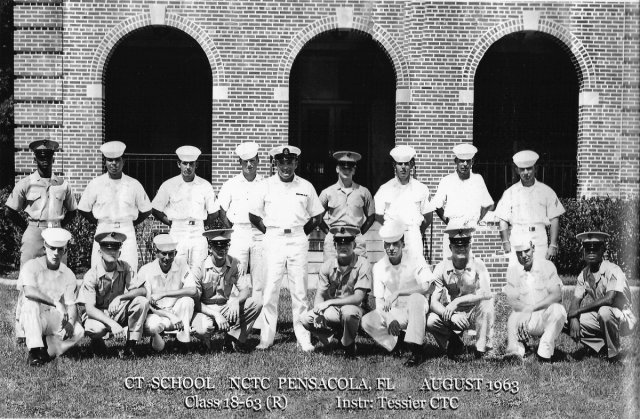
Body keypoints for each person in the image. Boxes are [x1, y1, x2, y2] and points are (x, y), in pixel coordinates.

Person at [249, 145, 324, 351]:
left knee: (299, 292)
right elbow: (253, 215)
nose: (285, 167)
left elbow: (317, 215)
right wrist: (270, 232)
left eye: (289, 162)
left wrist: (302, 233)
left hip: (298, 237)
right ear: (275, 164)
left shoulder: (306, 186)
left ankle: (303, 338)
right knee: (270, 290)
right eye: (281, 162)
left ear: (295, 163)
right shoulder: (265, 185)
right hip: (273, 237)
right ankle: (266, 338)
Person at [6, 139, 77, 344]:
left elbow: (72, 210)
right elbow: (10, 209)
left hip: (55, 230)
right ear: (35, 158)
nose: (44, 160)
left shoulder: (62, 184)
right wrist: (28, 228)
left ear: (53, 158)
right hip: (34, 230)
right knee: (26, 278)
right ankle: (22, 329)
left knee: (58, 277)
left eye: (48, 157)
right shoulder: (26, 183)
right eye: (40, 157)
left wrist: (61, 228)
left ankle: (58, 323)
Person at [361, 220, 435, 367]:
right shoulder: (379, 267)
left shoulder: (415, 258)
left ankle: (417, 350)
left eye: (395, 244)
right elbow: (379, 301)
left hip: (417, 309)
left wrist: (399, 292)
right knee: (367, 321)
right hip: (396, 312)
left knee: (415, 299)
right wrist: (388, 318)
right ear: (384, 246)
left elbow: (428, 286)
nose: (392, 248)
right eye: (387, 245)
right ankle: (396, 345)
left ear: (403, 244)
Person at [78, 141, 152, 272]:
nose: (114, 164)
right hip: (103, 228)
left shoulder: (133, 184)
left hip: (126, 229)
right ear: (105, 162)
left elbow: (146, 210)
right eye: (110, 160)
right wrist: (99, 222)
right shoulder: (96, 183)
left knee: (129, 269)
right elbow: (84, 208)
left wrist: (131, 223)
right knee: (99, 269)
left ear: (123, 161)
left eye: (117, 160)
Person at [301, 225, 372, 357]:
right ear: (334, 246)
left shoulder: (363, 264)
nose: (343, 247)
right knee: (306, 319)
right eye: (339, 243)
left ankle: (349, 346)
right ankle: (338, 334)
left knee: (348, 312)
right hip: (335, 310)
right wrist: (319, 313)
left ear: (354, 245)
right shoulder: (327, 266)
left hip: (357, 310)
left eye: (347, 243)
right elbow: (320, 294)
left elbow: (358, 298)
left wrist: (329, 303)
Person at [565, 232, 636, 362]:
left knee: (604, 311)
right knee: (566, 320)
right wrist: (573, 317)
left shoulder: (613, 269)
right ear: (583, 251)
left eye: (595, 248)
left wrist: (578, 311)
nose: (591, 251)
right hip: (602, 318)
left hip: (623, 319)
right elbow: (575, 300)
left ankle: (614, 355)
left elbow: (610, 299)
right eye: (588, 248)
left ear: (603, 250)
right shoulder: (584, 274)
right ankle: (601, 348)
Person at [427, 222, 495, 358]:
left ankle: (482, 350)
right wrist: (452, 315)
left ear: (470, 245)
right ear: (450, 247)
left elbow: (486, 294)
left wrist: (457, 301)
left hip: (475, 312)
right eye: (457, 246)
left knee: (487, 304)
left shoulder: (479, 264)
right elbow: (433, 302)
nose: (461, 249)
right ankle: (454, 342)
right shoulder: (441, 267)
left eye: (464, 245)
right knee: (431, 319)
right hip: (455, 314)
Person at [77, 232, 150, 358]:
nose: (111, 252)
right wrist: (113, 324)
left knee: (141, 301)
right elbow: (89, 309)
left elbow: (143, 291)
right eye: (107, 249)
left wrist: (120, 297)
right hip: (98, 315)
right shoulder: (91, 275)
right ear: (100, 252)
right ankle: (97, 341)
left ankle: (131, 345)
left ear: (119, 253)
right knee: (96, 329)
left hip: (117, 311)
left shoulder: (125, 267)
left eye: (115, 249)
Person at [18, 228, 84, 366]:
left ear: (65, 251)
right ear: (44, 248)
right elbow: (29, 291)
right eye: (52, 248)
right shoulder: (32, 266)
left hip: (52, 316)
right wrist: (56, 303)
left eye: (60, 249)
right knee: (31, 304)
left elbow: (71, 304)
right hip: (32, 316)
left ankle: (48, 352)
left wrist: (71, 323)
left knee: (79, 331)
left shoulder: (68, 273)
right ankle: (35, 351)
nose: (56, 253)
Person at [190, 229, 262, 352]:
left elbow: (245, 290)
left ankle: (232, 339)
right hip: (205, 309)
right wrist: (216, 315)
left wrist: (235, 302)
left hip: (226, 306)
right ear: (209, 248)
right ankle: (205, 342)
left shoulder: (235, 263)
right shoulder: (199, 267)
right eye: (217, 246)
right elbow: (195, 302)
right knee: (202, 328)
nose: (221, 249)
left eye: (225, 245)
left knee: (256, 303)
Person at [152, 145, 219, 269]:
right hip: (178, 231)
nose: (188, 167)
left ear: (196, 165)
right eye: (185, 163)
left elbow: (214, 212)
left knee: (199, 270)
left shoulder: (205, 185)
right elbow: (156, 209)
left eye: (191, 164)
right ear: (179, 164)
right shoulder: (169, 185)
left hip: (198, 232)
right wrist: (170, 223)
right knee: (177, 268)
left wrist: (204, 226)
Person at [494, 150, 565, 265]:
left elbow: (554, 219)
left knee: (541, 275)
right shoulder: (510, 193)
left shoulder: (546, 191)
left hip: (539, 240)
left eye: (529, 168)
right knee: (518, 277)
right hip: (518, 239)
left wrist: (553, 245)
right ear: (517, 170)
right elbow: (503, 220)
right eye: (522, 169)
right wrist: (505, 241)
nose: (526, 172)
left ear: (535, 168)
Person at [503, 237, 567, 362]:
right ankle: (518, 351)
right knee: (512, 316)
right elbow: (512, 300)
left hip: (543, 317)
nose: (524, 256)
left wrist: (530, 309)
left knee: (559, 310)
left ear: (533, 248)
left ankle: (544, 352)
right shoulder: (512, 272)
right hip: (525, 319)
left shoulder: (547, 266)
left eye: (527, 251)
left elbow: (557, 295)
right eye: (519, 253)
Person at [217, 142, 266, 302]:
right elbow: (222, 211)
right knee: (237, 274)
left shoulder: (266, 184)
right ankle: (236, 314)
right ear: (240, 162)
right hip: (238, 232)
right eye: (245, 161)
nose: (249, 165)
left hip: (259, 232)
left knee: (260, 277)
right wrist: (231, 230)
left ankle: (259, 322)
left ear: (258, 160)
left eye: (252, 160)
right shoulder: (230, 184)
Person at [430, 144, 493, 258]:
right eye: (461, 161)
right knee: (450, 264)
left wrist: (477, 220)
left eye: (467, 161)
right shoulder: (447, 180)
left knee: (469, 266)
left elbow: (487, 204)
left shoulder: (477, 180)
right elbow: (436, 205)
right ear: (456, 161)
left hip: (470, 228)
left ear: (472, 162)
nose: (464, 164)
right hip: (453, 227)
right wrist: (447, 221)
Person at [139, 234, 197, 352]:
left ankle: (183, 342)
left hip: (177, 312)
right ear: (156, 253)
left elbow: (193, 290)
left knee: (187, 301)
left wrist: (164, 293)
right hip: (157, 314)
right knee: (153, 326)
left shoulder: (181, 264)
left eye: (171, 253)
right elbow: (148, 304)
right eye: (163, 253)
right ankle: (156, 343)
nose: (167, 257)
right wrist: (171, 316)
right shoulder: (146, 270)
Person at [374, 145, 432, 260]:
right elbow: (378, 215)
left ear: (411, 165)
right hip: (393, 237)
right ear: (394, 166)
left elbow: (428, 217)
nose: (403, 167)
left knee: (415, 269)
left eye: (406, 163)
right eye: (400, 164)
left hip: (413, 235)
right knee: (394, 271)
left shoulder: (421, 188)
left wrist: (416, 231)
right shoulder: (385, 189)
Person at [318, 151, 375, 261]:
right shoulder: (327, 192)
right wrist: (329, 232)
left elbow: (371, 216)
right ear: (337, 169)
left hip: (355, 239)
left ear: (354, 170)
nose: (346, 171)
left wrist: (359, 232)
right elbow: (317, 217)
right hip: (334, 239)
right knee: (332, 272)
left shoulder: (363, 192)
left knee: (358, 271)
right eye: (343, 168)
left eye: (350, 168)